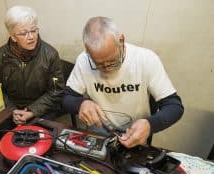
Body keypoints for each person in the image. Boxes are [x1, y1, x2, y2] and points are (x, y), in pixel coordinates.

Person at [62, 17, 184, 148]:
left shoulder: (146, 59)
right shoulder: (84, 60)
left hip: (135, 135)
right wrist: (80, 104)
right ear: (87, 51)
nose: (107, 69)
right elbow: (66, 98)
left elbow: (174, 106)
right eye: (99, 64)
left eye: (112, 61)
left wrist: (150, 124)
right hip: (99, 133)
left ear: (121, 40)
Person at [0, 5, 65, 157]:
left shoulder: (50, 54)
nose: (31, 36)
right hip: (10, 107)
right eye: (23, 33)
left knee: (39, 141)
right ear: (13, 36)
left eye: (34, 30)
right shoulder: (2, 55)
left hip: (41, 107)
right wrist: (12, 110)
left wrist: (31, 111)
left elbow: (56, 91)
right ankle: (1, 169)